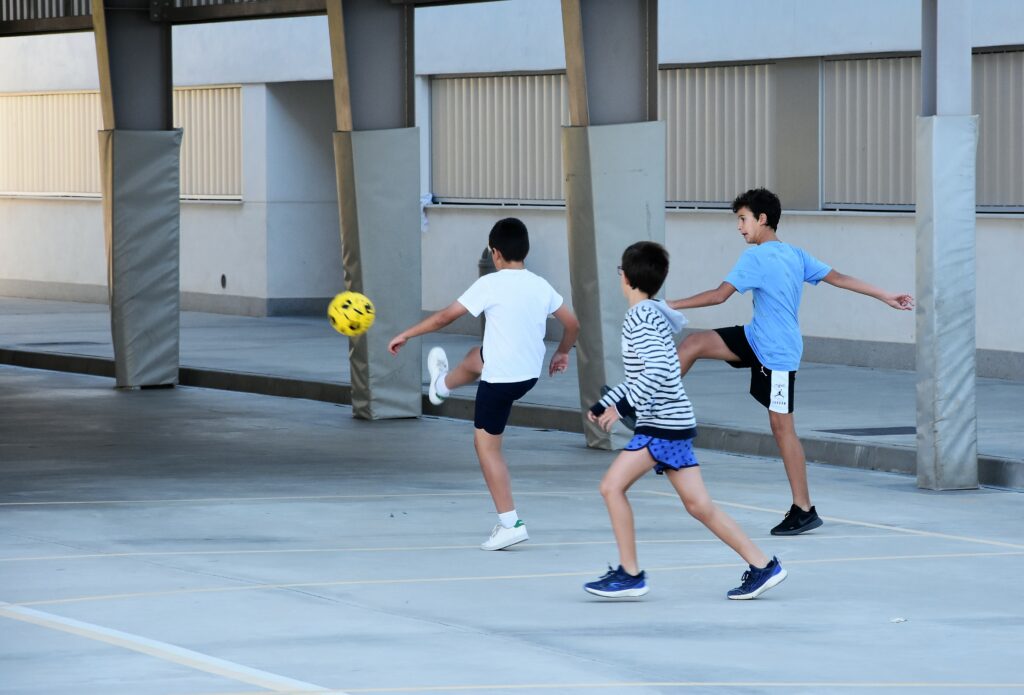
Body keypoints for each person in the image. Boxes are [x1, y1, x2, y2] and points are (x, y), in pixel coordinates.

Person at [667, 188, 914, 535]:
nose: (739, 227)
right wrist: (886, 295)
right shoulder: (795, 254)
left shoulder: (758, 258)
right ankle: (653, 403)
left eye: (743, 219)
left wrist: (671, 304)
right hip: (756, 338)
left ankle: (804, 508)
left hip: (778, 353)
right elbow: (839, 278)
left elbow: (719, 296)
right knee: (693, 343)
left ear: (762, 219)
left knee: (783, 429)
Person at [584, 241, 786, 600]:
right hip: (671, 421)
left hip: (661, 425)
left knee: (611, 487)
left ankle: (630, 574)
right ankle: (762, 565)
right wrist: (608, 401)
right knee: (698, 505)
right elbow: (644, 373)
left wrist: (624, 407)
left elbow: (660, 369)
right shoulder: (652, 313)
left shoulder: (640, 316)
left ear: (625, 277)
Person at [388, 217, 579, 551]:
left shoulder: (490, 284)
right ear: (525, 251)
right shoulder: (540, 285)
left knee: (486, 448)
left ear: (495, 253)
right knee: (477, 355)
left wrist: (406, 333)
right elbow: (572, 323)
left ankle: (510, 523)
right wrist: (562, 352)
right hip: (527, 375)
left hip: (500, 382)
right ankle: (443, 385)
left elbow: (445, 316)